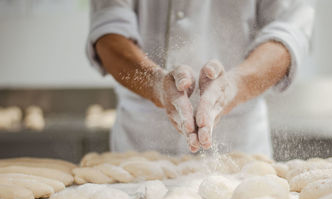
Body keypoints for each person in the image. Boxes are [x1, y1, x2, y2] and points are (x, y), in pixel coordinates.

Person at [86, 0, 315, 157]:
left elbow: (289, 30)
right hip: (140, 144)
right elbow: (108, 28)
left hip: (239, 147)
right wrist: (155, 84)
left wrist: (234, 86)